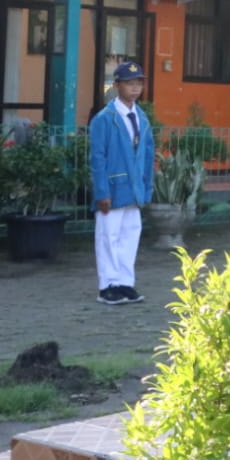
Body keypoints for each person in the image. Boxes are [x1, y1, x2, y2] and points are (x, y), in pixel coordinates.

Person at [88, 60, 155, 306]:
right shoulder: (104, 119)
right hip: (112, 189)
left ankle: (125, 282)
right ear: (116, 85)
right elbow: (97, 158)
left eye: (139, 83)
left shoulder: (142, 118)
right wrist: (101, 192)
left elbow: (148, 155)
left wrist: (147, 188)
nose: (135, 88)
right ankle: (107, 285)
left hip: (134, 189)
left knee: (130, 236)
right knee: (108, 237)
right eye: (129, 83)